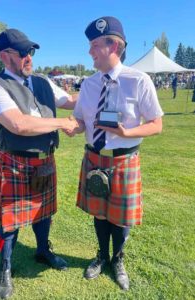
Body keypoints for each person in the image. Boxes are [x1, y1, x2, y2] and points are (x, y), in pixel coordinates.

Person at [66, 16, 163, 291]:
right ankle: (101, 255)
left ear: (115, 46)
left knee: (120, 218)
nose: (90, 51)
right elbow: (81, 119)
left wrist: (125, 133)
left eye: (95, 45)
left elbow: (157, 124)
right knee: (99, 214)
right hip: (94, 157)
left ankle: (118, 258)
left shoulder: (138, 80)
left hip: (124, 159)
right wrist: (74, 126)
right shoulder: (88, 84)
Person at [0, 28, 78, 299]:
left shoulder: (43, 82)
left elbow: (71, 100)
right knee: (9, 222)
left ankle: (43, 251)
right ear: (5, 56)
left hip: (45, 160)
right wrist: (62, 123)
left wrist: (103, 85)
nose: (29, 57)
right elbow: (18, 124)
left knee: (44, 214)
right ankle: (5, 266)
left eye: (31, 52)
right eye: (22, 52)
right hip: (15, 162)